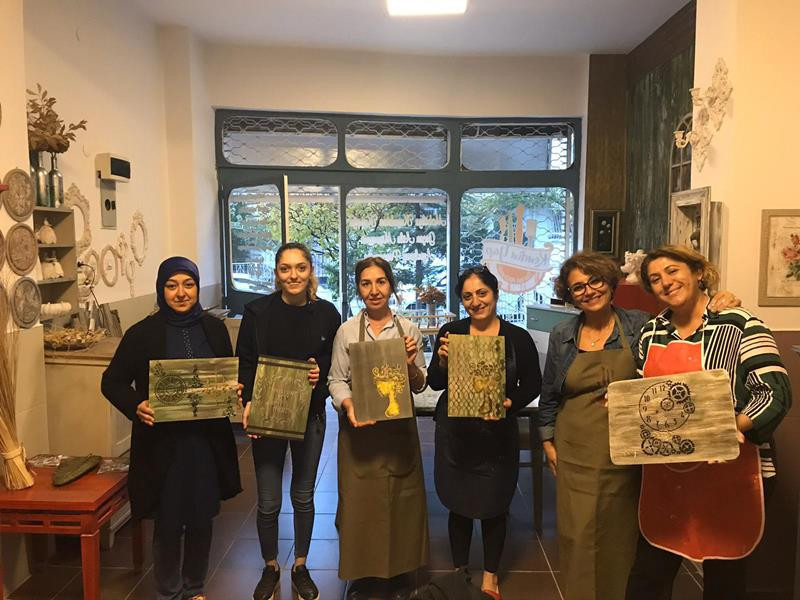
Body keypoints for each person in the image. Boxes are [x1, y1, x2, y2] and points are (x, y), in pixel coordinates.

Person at [537, 251, 740, 600]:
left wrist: (722, 301)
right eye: (577, 287)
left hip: (629, 449)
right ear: (569, 295)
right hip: (574, 449)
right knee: (577, 533)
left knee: (623, 535)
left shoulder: (643, 324)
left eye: (595, 281)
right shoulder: (562, 334)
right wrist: (547, 441)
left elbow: (690, 323)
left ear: (609, 282)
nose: (588, 291)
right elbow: (550, 394)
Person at [625, 245, 792, 600]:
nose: (666, 282)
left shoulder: (740, 323)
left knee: (724, 580)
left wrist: (731, 427)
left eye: (672, 271)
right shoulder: (651, 333)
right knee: (647, 578)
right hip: (669, 477)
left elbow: (774, 392)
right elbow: (645, 397)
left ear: (698, 272)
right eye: (655, 279)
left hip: (730, 473)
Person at [101, 257, 241, 600]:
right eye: (172, 286)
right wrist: (137, 405)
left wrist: (233, 389)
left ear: (197, 287)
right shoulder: (142, 334)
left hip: (206, 442)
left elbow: (226, 375)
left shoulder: (214, 329)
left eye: (188, 285)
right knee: (168, 520)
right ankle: (169, 592)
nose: (181, 293)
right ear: (161, 289)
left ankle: (194, 588)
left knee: (202, 517)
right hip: (163, 445)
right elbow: (112, 381)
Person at [427, 266, 542, 600]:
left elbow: (532, 384)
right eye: (467, 296)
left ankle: (490, 575)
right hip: (456, 433)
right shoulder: (451, 332)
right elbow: (435, 382)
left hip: (497, 433)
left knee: (495, 505)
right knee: (458, 503)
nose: (475, 301)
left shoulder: (517, 337)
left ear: (495, 293)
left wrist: (509, 402)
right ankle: (460, 571)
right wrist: (443, 363)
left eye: (482, 293)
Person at [237, 242, 341, 600]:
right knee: (268, 500)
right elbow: (245, 361)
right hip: (267, 415)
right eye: (285, 268)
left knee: (303, 495)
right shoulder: (257, 312)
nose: (293, 275)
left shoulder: (327, 314)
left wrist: (319, 371)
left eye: (300, 267)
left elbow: (334, 362)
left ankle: (300, 564)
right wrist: (248, 402)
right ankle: (270, 566)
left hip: (310, 415)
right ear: (276, 273)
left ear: (310, 270)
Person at [328, 257, 429, 600]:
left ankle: (400, 573)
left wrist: (410, 365)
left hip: (398, 432)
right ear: (358, 288)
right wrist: (348, 405)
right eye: (366, 283)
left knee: (401, 501)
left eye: (381, 282)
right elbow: (336, 380)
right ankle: (364, 576)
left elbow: (419, 384)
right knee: (361, 505)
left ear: (391, 286)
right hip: (359, 432)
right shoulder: (346, 331)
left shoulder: (409, 331)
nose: (374, 290)